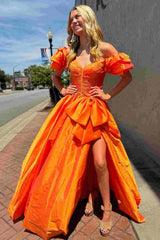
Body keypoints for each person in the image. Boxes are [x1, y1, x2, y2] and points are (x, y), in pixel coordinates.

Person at [8, 5, 145, 240]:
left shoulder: (104, 49)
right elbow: (54, 76)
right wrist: (63, 89)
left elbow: (127, 76)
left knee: (100, 161)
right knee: (68, 159)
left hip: (95, 111)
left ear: (88, 18)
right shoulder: (68, 52)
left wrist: (108, 95)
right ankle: (89, 194)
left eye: (78, 16)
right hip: (70, 111)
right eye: (71, 19)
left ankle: (107, 209)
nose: (74, 21)